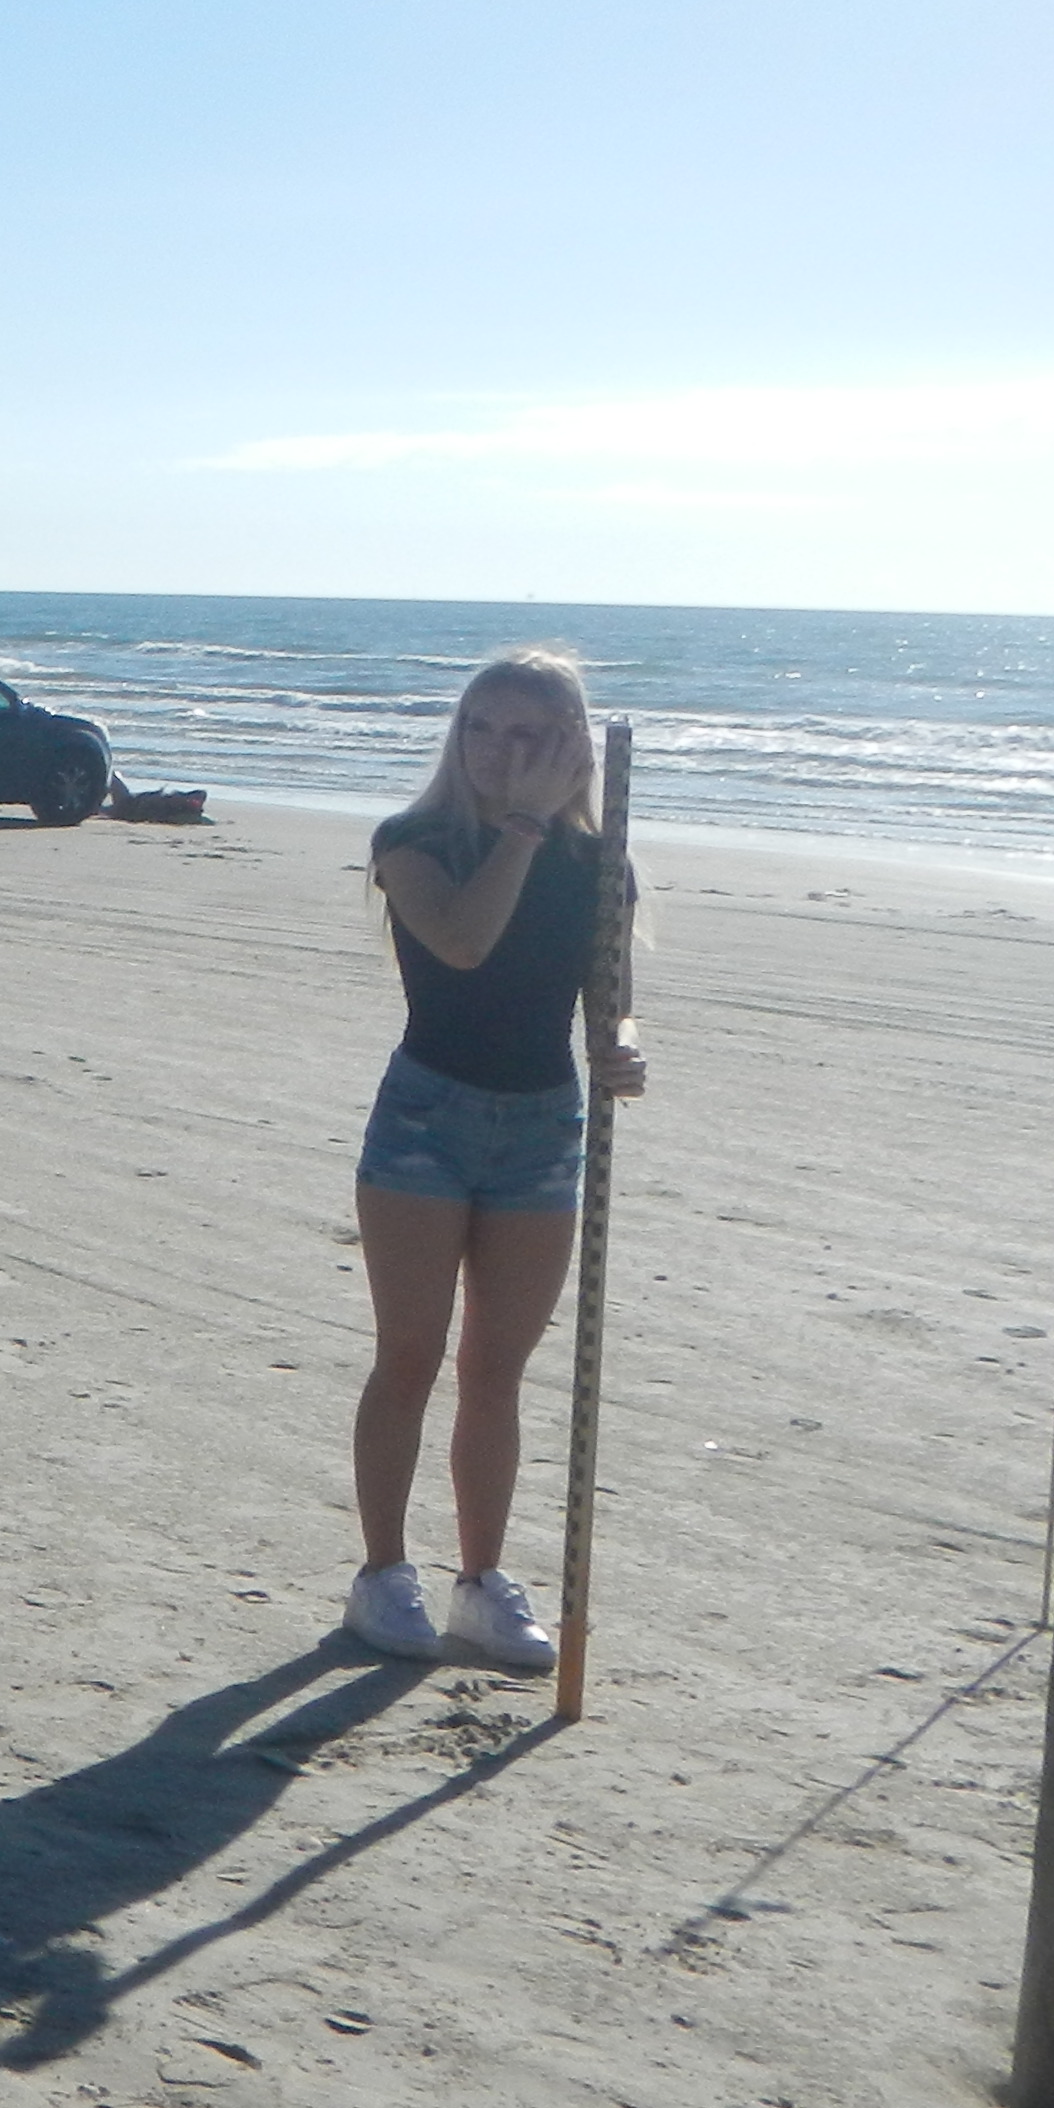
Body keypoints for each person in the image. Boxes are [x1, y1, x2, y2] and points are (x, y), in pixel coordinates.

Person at [340, 647, 644, 1670]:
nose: (500, 753)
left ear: (567, 747)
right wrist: (520, 825)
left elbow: (608, 991)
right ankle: (383, 1575)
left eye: (528, 736)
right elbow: (464, 944)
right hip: (426, 1117)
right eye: (483, 729)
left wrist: (622, 1044)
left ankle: (481, 1581)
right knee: (411, 1354)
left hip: (543, 1125)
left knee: (496, 1371)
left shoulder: (601, 864)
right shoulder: (413, 841)